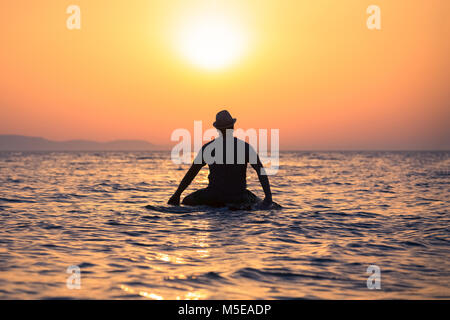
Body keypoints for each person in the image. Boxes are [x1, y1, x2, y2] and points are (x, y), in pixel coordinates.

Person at [168, 110, 273, 208]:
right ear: (233, 126)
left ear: (217, 129)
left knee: (186, 200)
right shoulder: (244, 147)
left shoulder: (208, 148)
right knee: (258, 202)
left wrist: (177, 195)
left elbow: (191, 173)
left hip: (213, 196)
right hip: (238, 197)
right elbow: (261, 171)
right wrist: (268, 198)